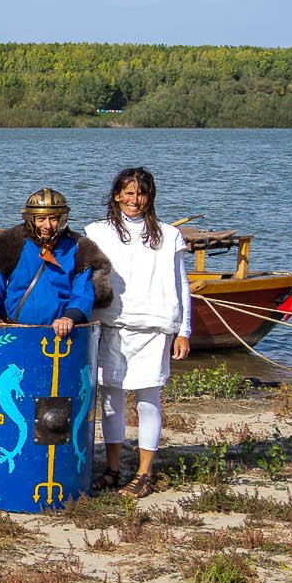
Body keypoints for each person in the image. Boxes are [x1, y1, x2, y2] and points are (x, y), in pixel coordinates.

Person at [85, 169, 192, 496]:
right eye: (128, 193)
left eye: (141, 194)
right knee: (111, 400)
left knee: (148, 399)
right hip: (111, 323)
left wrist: (184, 329)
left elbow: (181, 284)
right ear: (117, 195)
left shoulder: (168, 235)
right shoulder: (96, 232)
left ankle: (144, 474)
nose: (135, 200)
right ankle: (113, 469)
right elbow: (84, 278)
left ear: (150, 197)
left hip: (154, 325)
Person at [0, 188, 112, 337]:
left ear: (63, 219)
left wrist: (70, 317)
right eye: (41, 219)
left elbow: (83, 290)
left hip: (61, 333)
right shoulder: (7, 245)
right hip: (12, 332)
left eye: (54, 219)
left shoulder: (78, 249)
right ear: (31, 219)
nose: (48, 225)